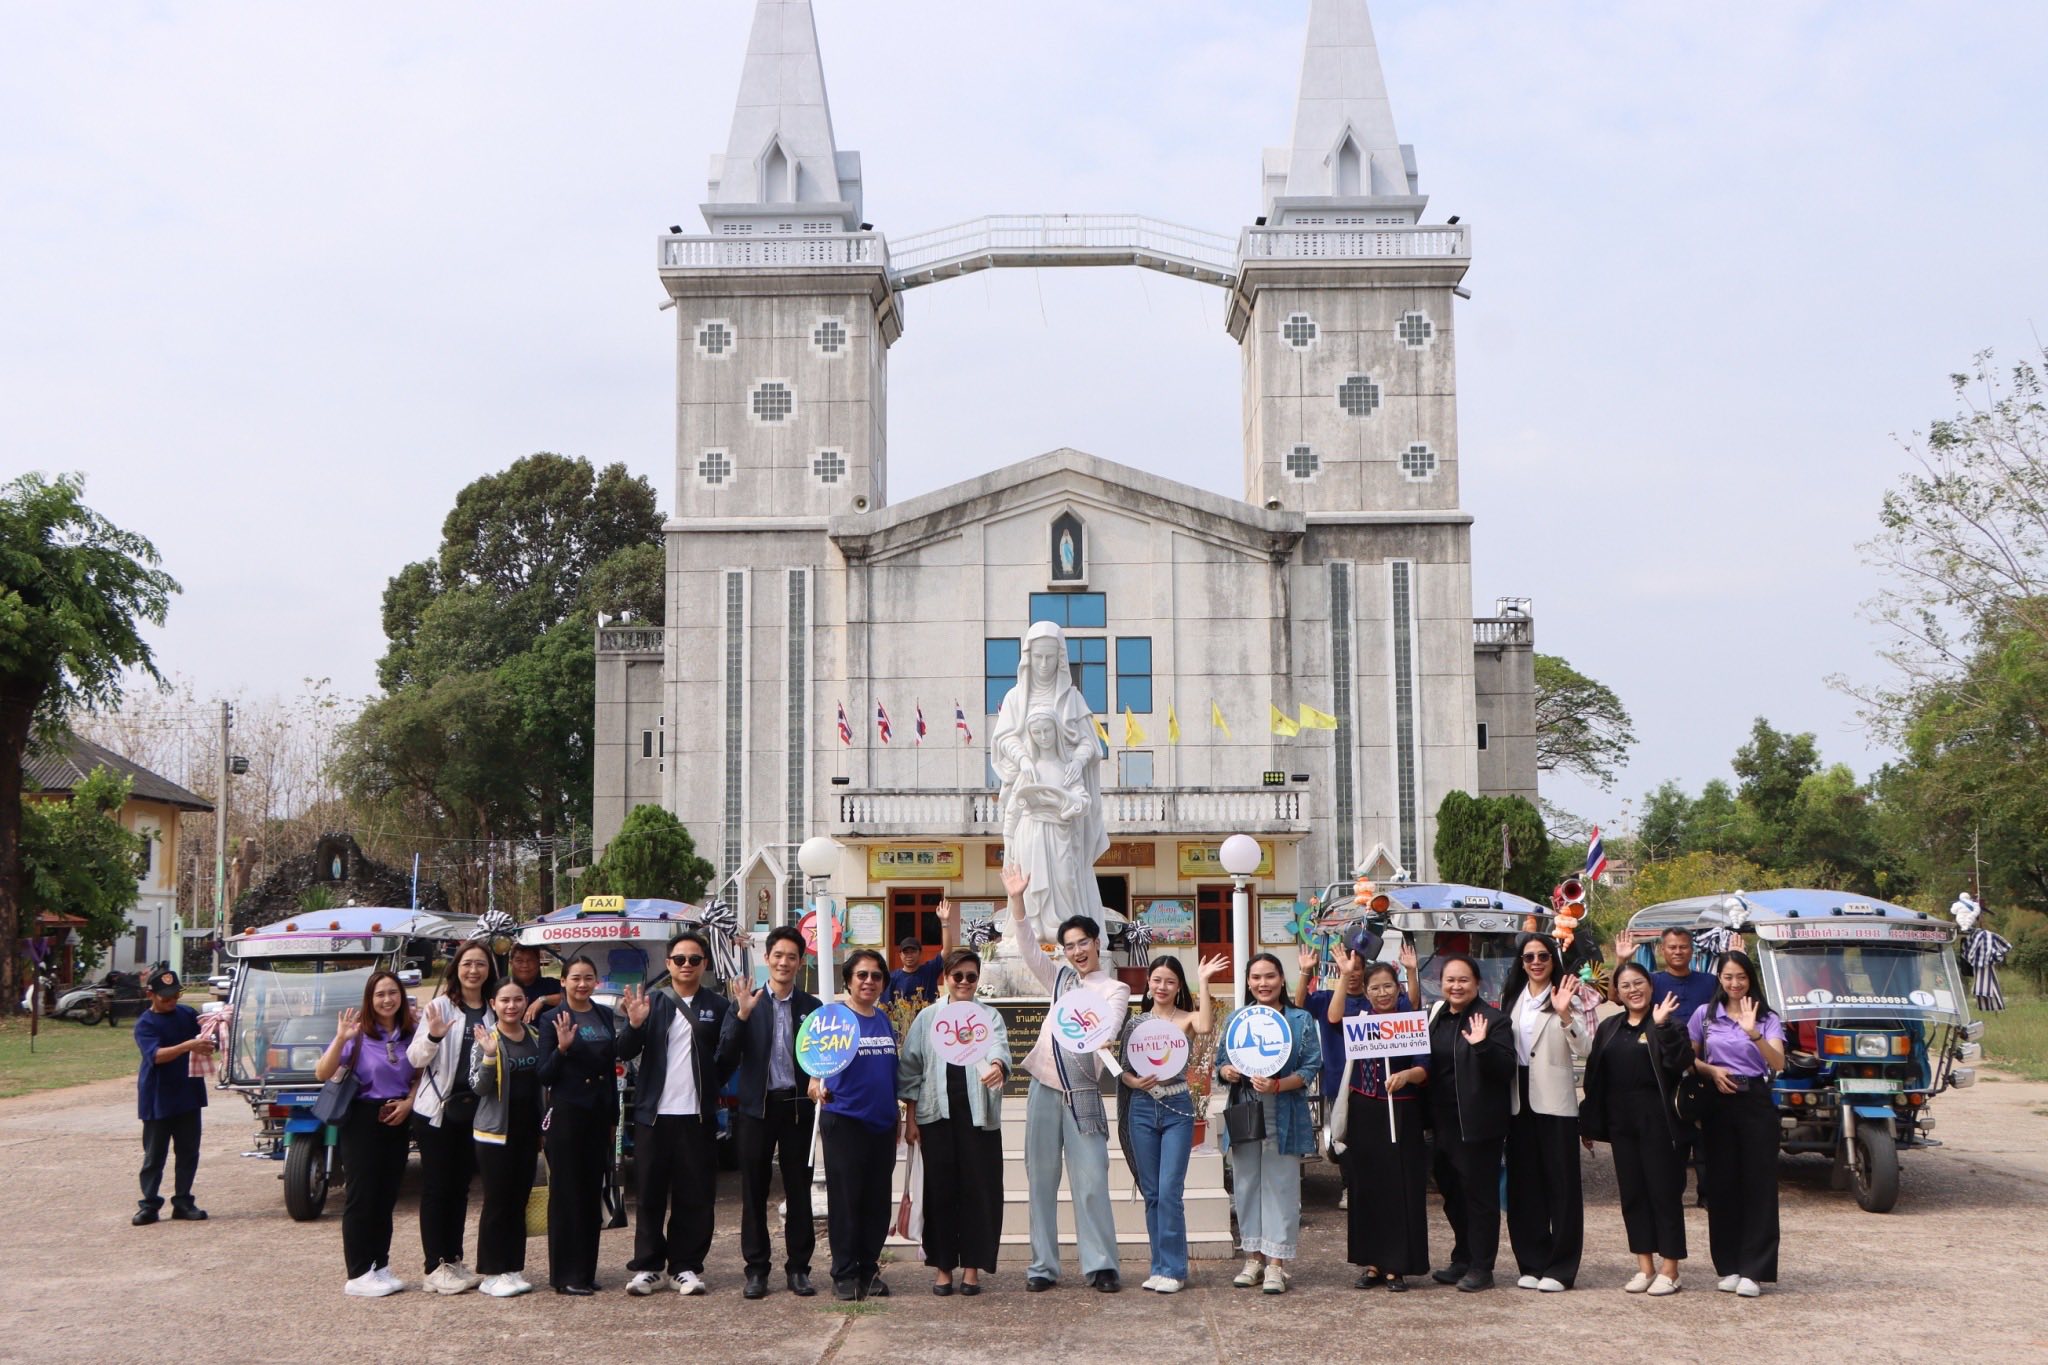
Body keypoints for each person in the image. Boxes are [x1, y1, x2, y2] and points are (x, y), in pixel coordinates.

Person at [1004, 864, 1132, 1293]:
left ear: (1097, 944)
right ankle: (1043, 1266)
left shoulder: (1113, 990)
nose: (1077, 951)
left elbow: (1111, 1024)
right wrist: (1017, 900)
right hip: (1043, 1086)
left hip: (1083, 1093)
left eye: (1083, 943)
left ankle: (1101, 1265)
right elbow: (1027, 948)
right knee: (1040, 1180)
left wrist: (1103, 1033)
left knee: (1092, 1180)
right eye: (1069, 946)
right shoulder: (1059, 979)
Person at [618, 928, 738, 1297]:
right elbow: (623, 1050)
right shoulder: (651, 1002)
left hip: (697, 1116)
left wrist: (711, 1087)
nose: (687, 965)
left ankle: (685, 1266)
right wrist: (634, 1024)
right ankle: (649, 1266)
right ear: (668, 963)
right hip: (654, 1115)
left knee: (695, 1194)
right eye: (680, 959)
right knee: (649, 1194)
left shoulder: (718, 1006)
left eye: (694, 959)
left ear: (704, 964)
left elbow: (728, 1056)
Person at [899, 946, 1010, 1295]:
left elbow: (999, 1049)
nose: (964, 982)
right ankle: (943, 1267)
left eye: (971, 977)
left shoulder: (989, 1016)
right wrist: (911, 1119)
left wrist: (997, 1066)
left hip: (979, 1119)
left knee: (980, 1192)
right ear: (945, 978)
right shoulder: (927, 1018)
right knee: (940, 1192)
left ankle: (972, 1268)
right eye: (957, 976)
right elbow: (911, 1070)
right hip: (936, 1117)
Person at [721, 924, 822, 1299]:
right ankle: (756, 1270)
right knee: (753, 1191)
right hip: (756, 1109)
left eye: (791, 957)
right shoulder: (748, 1002)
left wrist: (818, 1081)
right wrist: (741, 1016)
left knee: (799, 1191)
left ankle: (799, 1269)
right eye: (777, 955)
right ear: (767, 959)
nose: (784, 962)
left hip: (797, 1109)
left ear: (800, 962)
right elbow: (725, 1056)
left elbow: (825, 1056)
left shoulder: (812, 1008)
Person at [1117, 953, 1225, 1294]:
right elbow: (1123, 1070)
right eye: (1157, 980)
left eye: (1170, 981)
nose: (1162, 986)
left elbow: (1205, 1026)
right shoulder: (1136, 1024)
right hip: (1142, 1108)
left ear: (1179, 987)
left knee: (1169, 1191)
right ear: (1148, 983)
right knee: (1152, 1193)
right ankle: (1159, 1267)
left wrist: (1203, 980)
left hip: (1177, 1107)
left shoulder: (1187, 1018)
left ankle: (1175, 1270)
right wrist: (1134, 1082)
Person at [1581, 962, 1690, 1297]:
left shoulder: (1669, 1022)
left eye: (1639, 983)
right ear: (1618, 992)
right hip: (1622, 1123)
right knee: (1632, 1195)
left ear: (1651, 986)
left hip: (1659, 1123)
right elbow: (1595, 1076)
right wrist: (1589, 1122)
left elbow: (1680, 1063)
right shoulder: (1610, 1027)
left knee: (1664, 1193)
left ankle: (1670, 1269)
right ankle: (1645, 1267)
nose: (1633, 990)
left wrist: (1662, 1027)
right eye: (1625, 985)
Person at [1216, 952, 1321, 1295]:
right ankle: (1252, 1259)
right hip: (1246, 1109)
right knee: (1246, 1183)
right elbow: (1220, 1063)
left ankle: (1276, 1264)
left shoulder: (1300, 1019)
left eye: (1270, 976)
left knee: (1282, 1184)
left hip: (1284, 1111)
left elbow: (1310, 1067)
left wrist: (1278, 1085)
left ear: (1282, 979)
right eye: (1256, 977)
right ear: (1248, 982)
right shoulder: (1237, 1019)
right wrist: (1227, 1071)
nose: (1263, 983)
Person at [316, 969, 420, 1296]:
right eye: (380, 994)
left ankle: (380, 1264)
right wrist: (340, 1039)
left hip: (397, 1116)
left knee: (386, 1195)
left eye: (393, 992)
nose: (387, 1000)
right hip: (362, 1118)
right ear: (369, 999)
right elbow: (322, 1072)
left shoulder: (410, 1033)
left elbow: (420, 1074)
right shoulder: (358, 1033)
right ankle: (359, 1273)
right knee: (362, 1196)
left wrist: (409, 1102)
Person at [1500, 931, 1593, 1293]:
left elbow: (1585, 1047)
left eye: (1543, 956)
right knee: (1524, 1184)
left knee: (1562, 1185)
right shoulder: (1512, 998)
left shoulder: (1567, 993)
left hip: (1554, 1099)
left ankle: (1561, 1267)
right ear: (1521, 963)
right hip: (1516, 1097)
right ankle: (1531, 1261)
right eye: (1529, 957)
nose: (1536, 962)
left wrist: (1565, 1012)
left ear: (1553, 959)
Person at [1689, 950, 1785, 1299]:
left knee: (1758, 1185)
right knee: (1721, 1184)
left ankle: (1754, 1270)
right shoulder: (1705, 1015)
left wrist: (1753, 1033)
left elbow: (1779, 1062)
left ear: (1750, 978)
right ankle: (1728, 1265)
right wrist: (1711, 1071)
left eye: (1741, 977)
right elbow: (1689, 1058)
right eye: (1728, 977)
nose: (1734, 983)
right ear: (1719, 978)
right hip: (1717, 1101)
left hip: (1754, 1100)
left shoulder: (1767, 1017)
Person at [404, 939, 498, 1293]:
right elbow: (415, 1058)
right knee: (437, 1188)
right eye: (467, 963)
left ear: (489, 970)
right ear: (456, 969)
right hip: (437, 1112)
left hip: (474, 1112)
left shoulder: (493, 1009)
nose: (473, 970)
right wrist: (433, 1035)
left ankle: (454, 1260)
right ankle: (435, 1266)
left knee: (460, 1188)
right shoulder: (441, 1006)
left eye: (480, 964)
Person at [811, 948, 902, 1301]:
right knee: (847, 1201)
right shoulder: (833, 1019)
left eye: (876, 976)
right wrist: (814, 1084)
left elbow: (890, 1073)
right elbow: (814, 1064)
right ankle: (845, 1273)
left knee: (876, 1202)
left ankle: (868, 1269)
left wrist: (897, 1117)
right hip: (845, 1122)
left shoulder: (883, 1021)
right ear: (848, 980)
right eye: (861, 975)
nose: (869, 981)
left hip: (882, 1124)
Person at [1426, 953, 1514, 1292]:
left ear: (1477, 983)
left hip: (1477, 1125)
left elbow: (1505, 1069)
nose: (1456, 986)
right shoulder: (1437, 1016)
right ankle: (1461, 1258)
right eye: (1450, 980)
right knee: (1452, 1195)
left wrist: (1483, 1046)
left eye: (1463, 980)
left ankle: (1481, 1267)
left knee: (1480, 1198)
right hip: (1442, 1122)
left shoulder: (1494, 1020)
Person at [1342, 961, 1431, 1292]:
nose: (1382, 993)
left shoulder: (1410, 1020)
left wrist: (1406, 1075)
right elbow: (1333, 1018)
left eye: (1388, 986)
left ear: (1399, 988)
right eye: (1375, 988)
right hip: (1365, 1110)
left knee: (1400, 1186)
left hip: (1402, 1110)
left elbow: (1424, 1067)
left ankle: (1397, 1265)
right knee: (1367, 1186)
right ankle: (1372, 1262)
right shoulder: (1359, 1019)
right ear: (1366, 992)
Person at [536, 954, 620, 1295]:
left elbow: (611, 1070)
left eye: (588, 978)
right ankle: (565, 1275)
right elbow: (544, 1074)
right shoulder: (551, 1019)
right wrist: (562, 1049)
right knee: (567, 1194)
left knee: (590, 1192)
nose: (582, 984)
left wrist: (614, 1117)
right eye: (575, 978)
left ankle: (585, 1271)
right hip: (568, 1115)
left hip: (598, 1114)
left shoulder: (603, 1014)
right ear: (563, 981)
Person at [470, 979, 544, 1298]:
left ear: (525, 1001)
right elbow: (478, 1087)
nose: (511, 1006)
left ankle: (512, 1268)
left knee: (519, 1200)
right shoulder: (487, 1039)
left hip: (527, 1131)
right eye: (504, 1000)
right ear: (493, 1004)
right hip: (494, 1134)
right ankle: (491, 1272)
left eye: (517, 999)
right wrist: (489, 1057)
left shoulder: (535, 1037)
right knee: (497, 1202)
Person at [132, 967, 211, 1226]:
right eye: (166, 997)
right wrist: (188, 1046)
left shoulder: (187, 1014)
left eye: (176, 995)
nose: (172, 1001)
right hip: (158, 1096)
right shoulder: (145, 1024)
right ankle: (149, 1204)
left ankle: (183, 1202)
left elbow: (207, 1035)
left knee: (188, 1152)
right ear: (150, 995)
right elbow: (155, 1056)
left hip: (188, 1092)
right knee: (154, 1155)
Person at [1649, 926, 1716, 1204]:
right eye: (1672, 947)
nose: (1678, 952)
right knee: (1671, 1135)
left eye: (1683, 946)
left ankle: (1708, 1195)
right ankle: (1670, 1196)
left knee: (1705, 1134)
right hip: (1666, 1068)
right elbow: (1619, 997)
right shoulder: (1652, 981)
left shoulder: (1710, 982)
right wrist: (1623, 960)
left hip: (1705, 1066)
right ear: (1662, 950)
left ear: (1692, 950)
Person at [508, 944, 563, 1023]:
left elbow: (572, 998)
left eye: (530, 960)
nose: (525, 965)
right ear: (511, 963)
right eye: (519, 961)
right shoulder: (505, 987)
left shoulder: (550, 984)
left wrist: (543, 1000)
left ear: (538, 962)